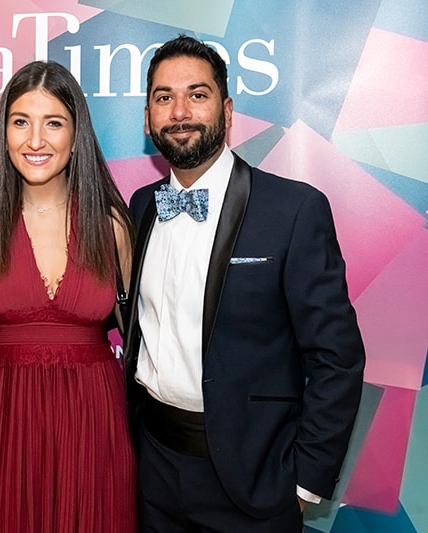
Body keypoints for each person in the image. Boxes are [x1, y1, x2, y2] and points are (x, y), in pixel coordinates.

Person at [122, 35, 366, 532]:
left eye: (198, 94)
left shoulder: (293, 211)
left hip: (254, 481)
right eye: (164, 97)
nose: (180, 112)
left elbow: (337, 357)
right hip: (154, 470)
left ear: (227, 110)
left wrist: (303, 484)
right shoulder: (141, 206)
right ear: (148, 118)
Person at [0, 60, 137, 532]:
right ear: (4, 133)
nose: (35, 140)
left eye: (53, 123)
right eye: (20, 122)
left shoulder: (111, 225)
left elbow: (140, 340)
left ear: (76, 133)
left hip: (95, 427)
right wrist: (9, 333)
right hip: (7, 426)